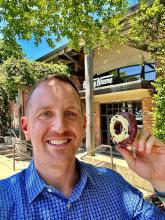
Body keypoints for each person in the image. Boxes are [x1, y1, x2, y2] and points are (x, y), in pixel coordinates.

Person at [0, 74, 165, 219]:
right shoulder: (4, 201)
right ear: (26, 127)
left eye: (70, 114)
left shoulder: (115, 185)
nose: (59, 127)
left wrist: (161, 179)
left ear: (83, 124)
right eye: (46, 114)